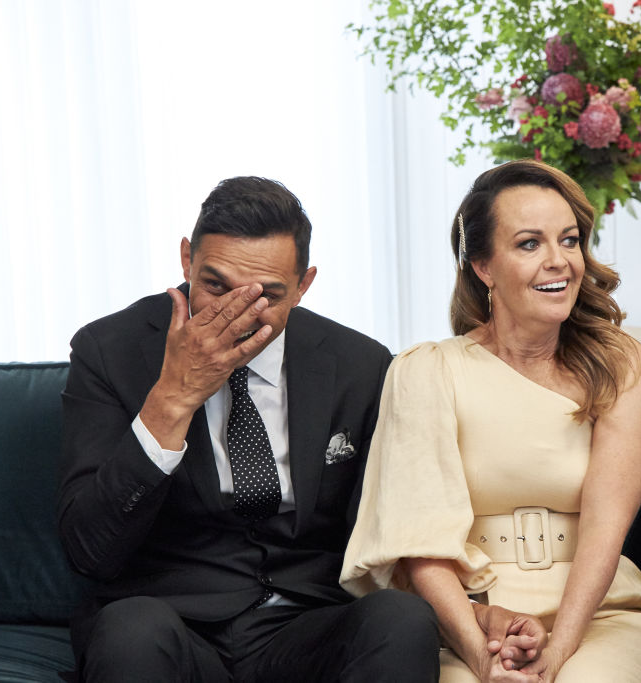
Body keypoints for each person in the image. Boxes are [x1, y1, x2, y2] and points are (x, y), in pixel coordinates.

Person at [58, 176, 440, 682]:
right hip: (171, 617)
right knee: (132, 630)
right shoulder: (110, 350)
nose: (235, 315)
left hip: (306, 621)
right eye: (214, 285)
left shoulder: (359, 364)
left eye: (267, 296)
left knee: (402, 619)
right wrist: (172, 398)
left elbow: (387, 536)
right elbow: (90, 550)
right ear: (185, 260)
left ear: (304, 286)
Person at [340, 160, 641, 682]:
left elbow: (607, 524)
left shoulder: (622, 363)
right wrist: (480, 652)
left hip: (599, 614)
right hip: (472, 618)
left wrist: (560, 651)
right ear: (483, 266)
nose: (559, 262)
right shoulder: (424, 371)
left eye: (569, 241)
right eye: (529, 244)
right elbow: (419, 547)